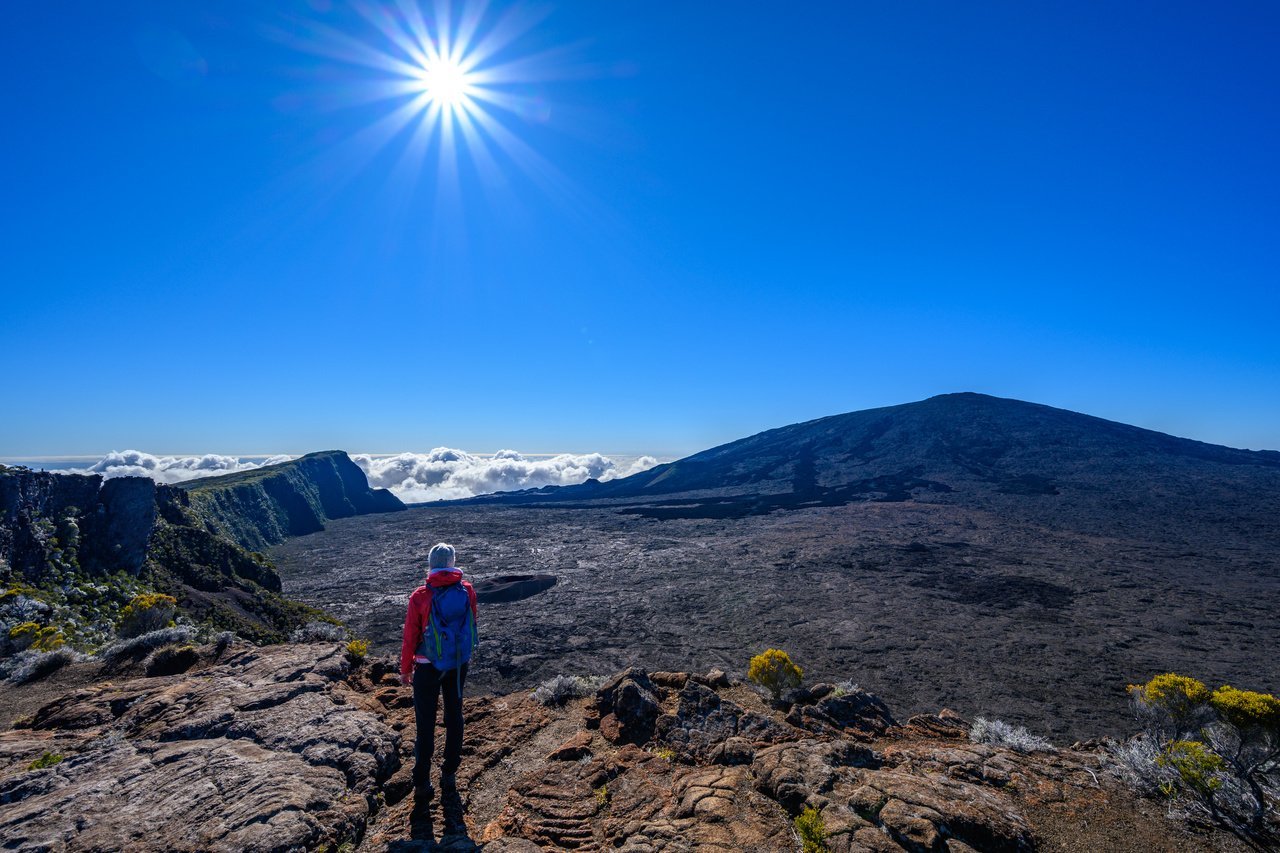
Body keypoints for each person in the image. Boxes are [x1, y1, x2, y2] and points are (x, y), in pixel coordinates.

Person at [400, 542, 478, 803]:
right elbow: (471, 622)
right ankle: (449, 774)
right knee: (454, 716)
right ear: (453, 562)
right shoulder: (466, 590)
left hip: (426, 667)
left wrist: (405, 669)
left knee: (425, 725)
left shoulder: (420, 596)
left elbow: (410, 636)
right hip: (457, 664)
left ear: (431, 564)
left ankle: (422, 783)